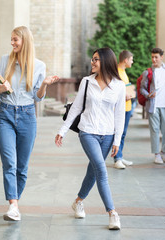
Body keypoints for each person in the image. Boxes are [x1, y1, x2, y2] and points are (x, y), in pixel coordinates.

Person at [0, 26, 59, 221]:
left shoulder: (39, 65)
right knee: (9, 162)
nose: (12, 43)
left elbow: (38, 97)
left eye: (15, 40)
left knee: (22, 166)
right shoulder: (5, 61)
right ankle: (13, 204)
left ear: (25, 42)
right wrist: (0, 87)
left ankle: (15, 204)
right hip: (5, 114)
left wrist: (45, 84)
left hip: (27, 116)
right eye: (11, 40)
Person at [55, 47, 125, 230]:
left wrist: (117, 140)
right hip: (87, 132)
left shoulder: (118, 85)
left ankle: (78, 201)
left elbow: (120, 116)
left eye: (96, 59)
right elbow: (76, 108)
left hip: (108, 135)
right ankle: (112, 213)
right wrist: (62, 130)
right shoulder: (86, 82)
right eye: (92, 59)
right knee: (101, 171)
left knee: (93, 170)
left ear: (106, 62)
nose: (92, 62)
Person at [140, 47, 165, 164]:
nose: (154, 59)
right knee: (155, 130)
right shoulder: (148, 72)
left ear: (162, 57)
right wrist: (148, 95)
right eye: (152, 57)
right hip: (153, 106)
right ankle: (156, 154)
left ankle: (163, 152)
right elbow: (141, 88)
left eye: (156, 57)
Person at [114, 50, 134, 169]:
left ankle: (120, 156)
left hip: (127, 107)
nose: (132, 61)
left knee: (123, 133)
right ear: (125, 60)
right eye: (131, 59)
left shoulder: (123, 72)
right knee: (119, 133)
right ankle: (117, 159)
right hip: (120, 108)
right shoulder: (116, 72)